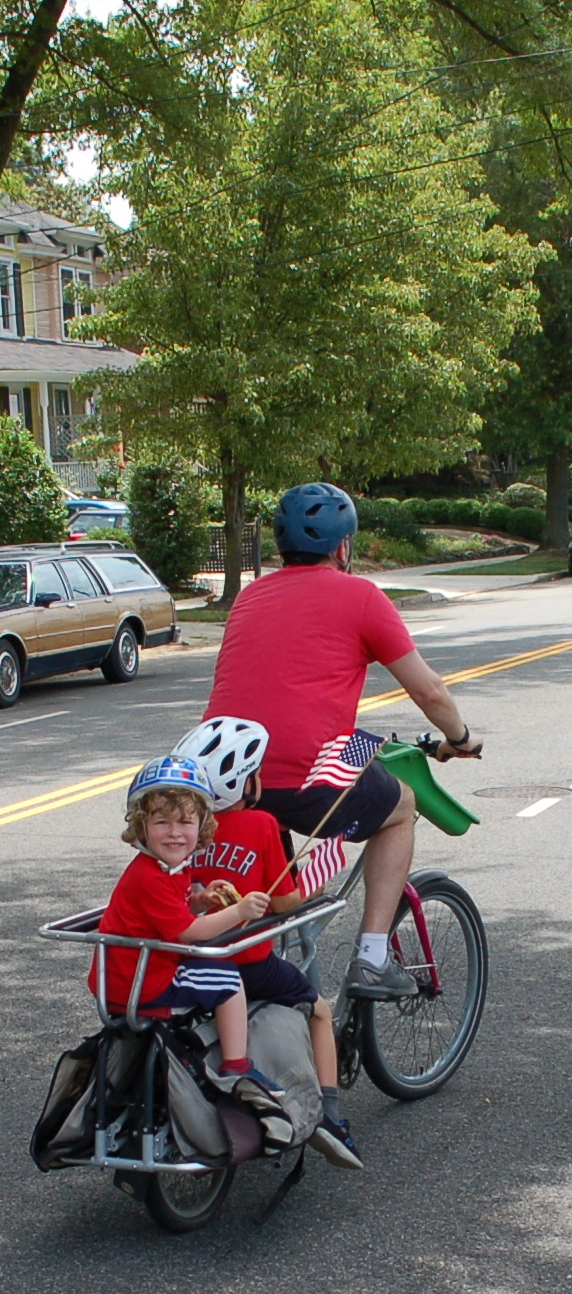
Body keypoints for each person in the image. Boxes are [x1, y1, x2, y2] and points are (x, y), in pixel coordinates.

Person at [204, 482, 483, 1002]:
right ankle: (372, 958)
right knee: (400, 806)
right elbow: (429, 691)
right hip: (305, 778)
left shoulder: (249, 596)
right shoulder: (361, 597)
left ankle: (273, 980)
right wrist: (460, 738)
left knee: (275, 896)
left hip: (230, 781)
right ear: (343, 546)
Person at [175, 716, 363, 1170]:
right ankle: (330, 1115)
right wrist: (314, 883)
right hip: (248, 962)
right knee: (319, 1009)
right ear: (246, 782)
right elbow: (283, 901)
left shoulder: (186, 829)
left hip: (193, 958)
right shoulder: (262, 824)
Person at [87, 753, 277, 1088]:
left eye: (186, 823)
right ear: (141, 827)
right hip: (142, 981)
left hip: (137, 971)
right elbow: (190, 931)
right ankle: (236, 1066)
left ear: (201, 826)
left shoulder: (168, 867)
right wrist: (239, 912)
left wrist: (201, 900)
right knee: (229, 981)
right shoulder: (150, 876)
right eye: (162, 822)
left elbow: (170, 911)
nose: (174, 833)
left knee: (213, 971)